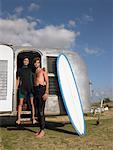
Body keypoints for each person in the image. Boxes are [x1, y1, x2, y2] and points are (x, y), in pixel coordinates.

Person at [16, 57, 36, 125]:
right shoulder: (19, 70)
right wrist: (16, 88)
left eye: (27, 60)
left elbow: (37, 71)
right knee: (20, 104)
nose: (26, 61)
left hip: (30, 89)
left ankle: (33, 118)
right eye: (25, 60)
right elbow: (18, 80)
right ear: (23, 61)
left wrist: (44, 69)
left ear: (28, 62)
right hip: (22, 88)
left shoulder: (31, 69)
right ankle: (19, 119)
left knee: (31, 103)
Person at [33, 57, 49, 138]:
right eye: (35, 62)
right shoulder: (35, 71)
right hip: (36, 90)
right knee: (38, 111)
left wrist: (46, 92)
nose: (36, 64)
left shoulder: (43, 71)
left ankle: (43, 130)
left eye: (38, 62)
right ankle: (40, 129)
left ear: (40, 63)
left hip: (42, 90)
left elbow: (47, 81)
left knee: (41, 111)